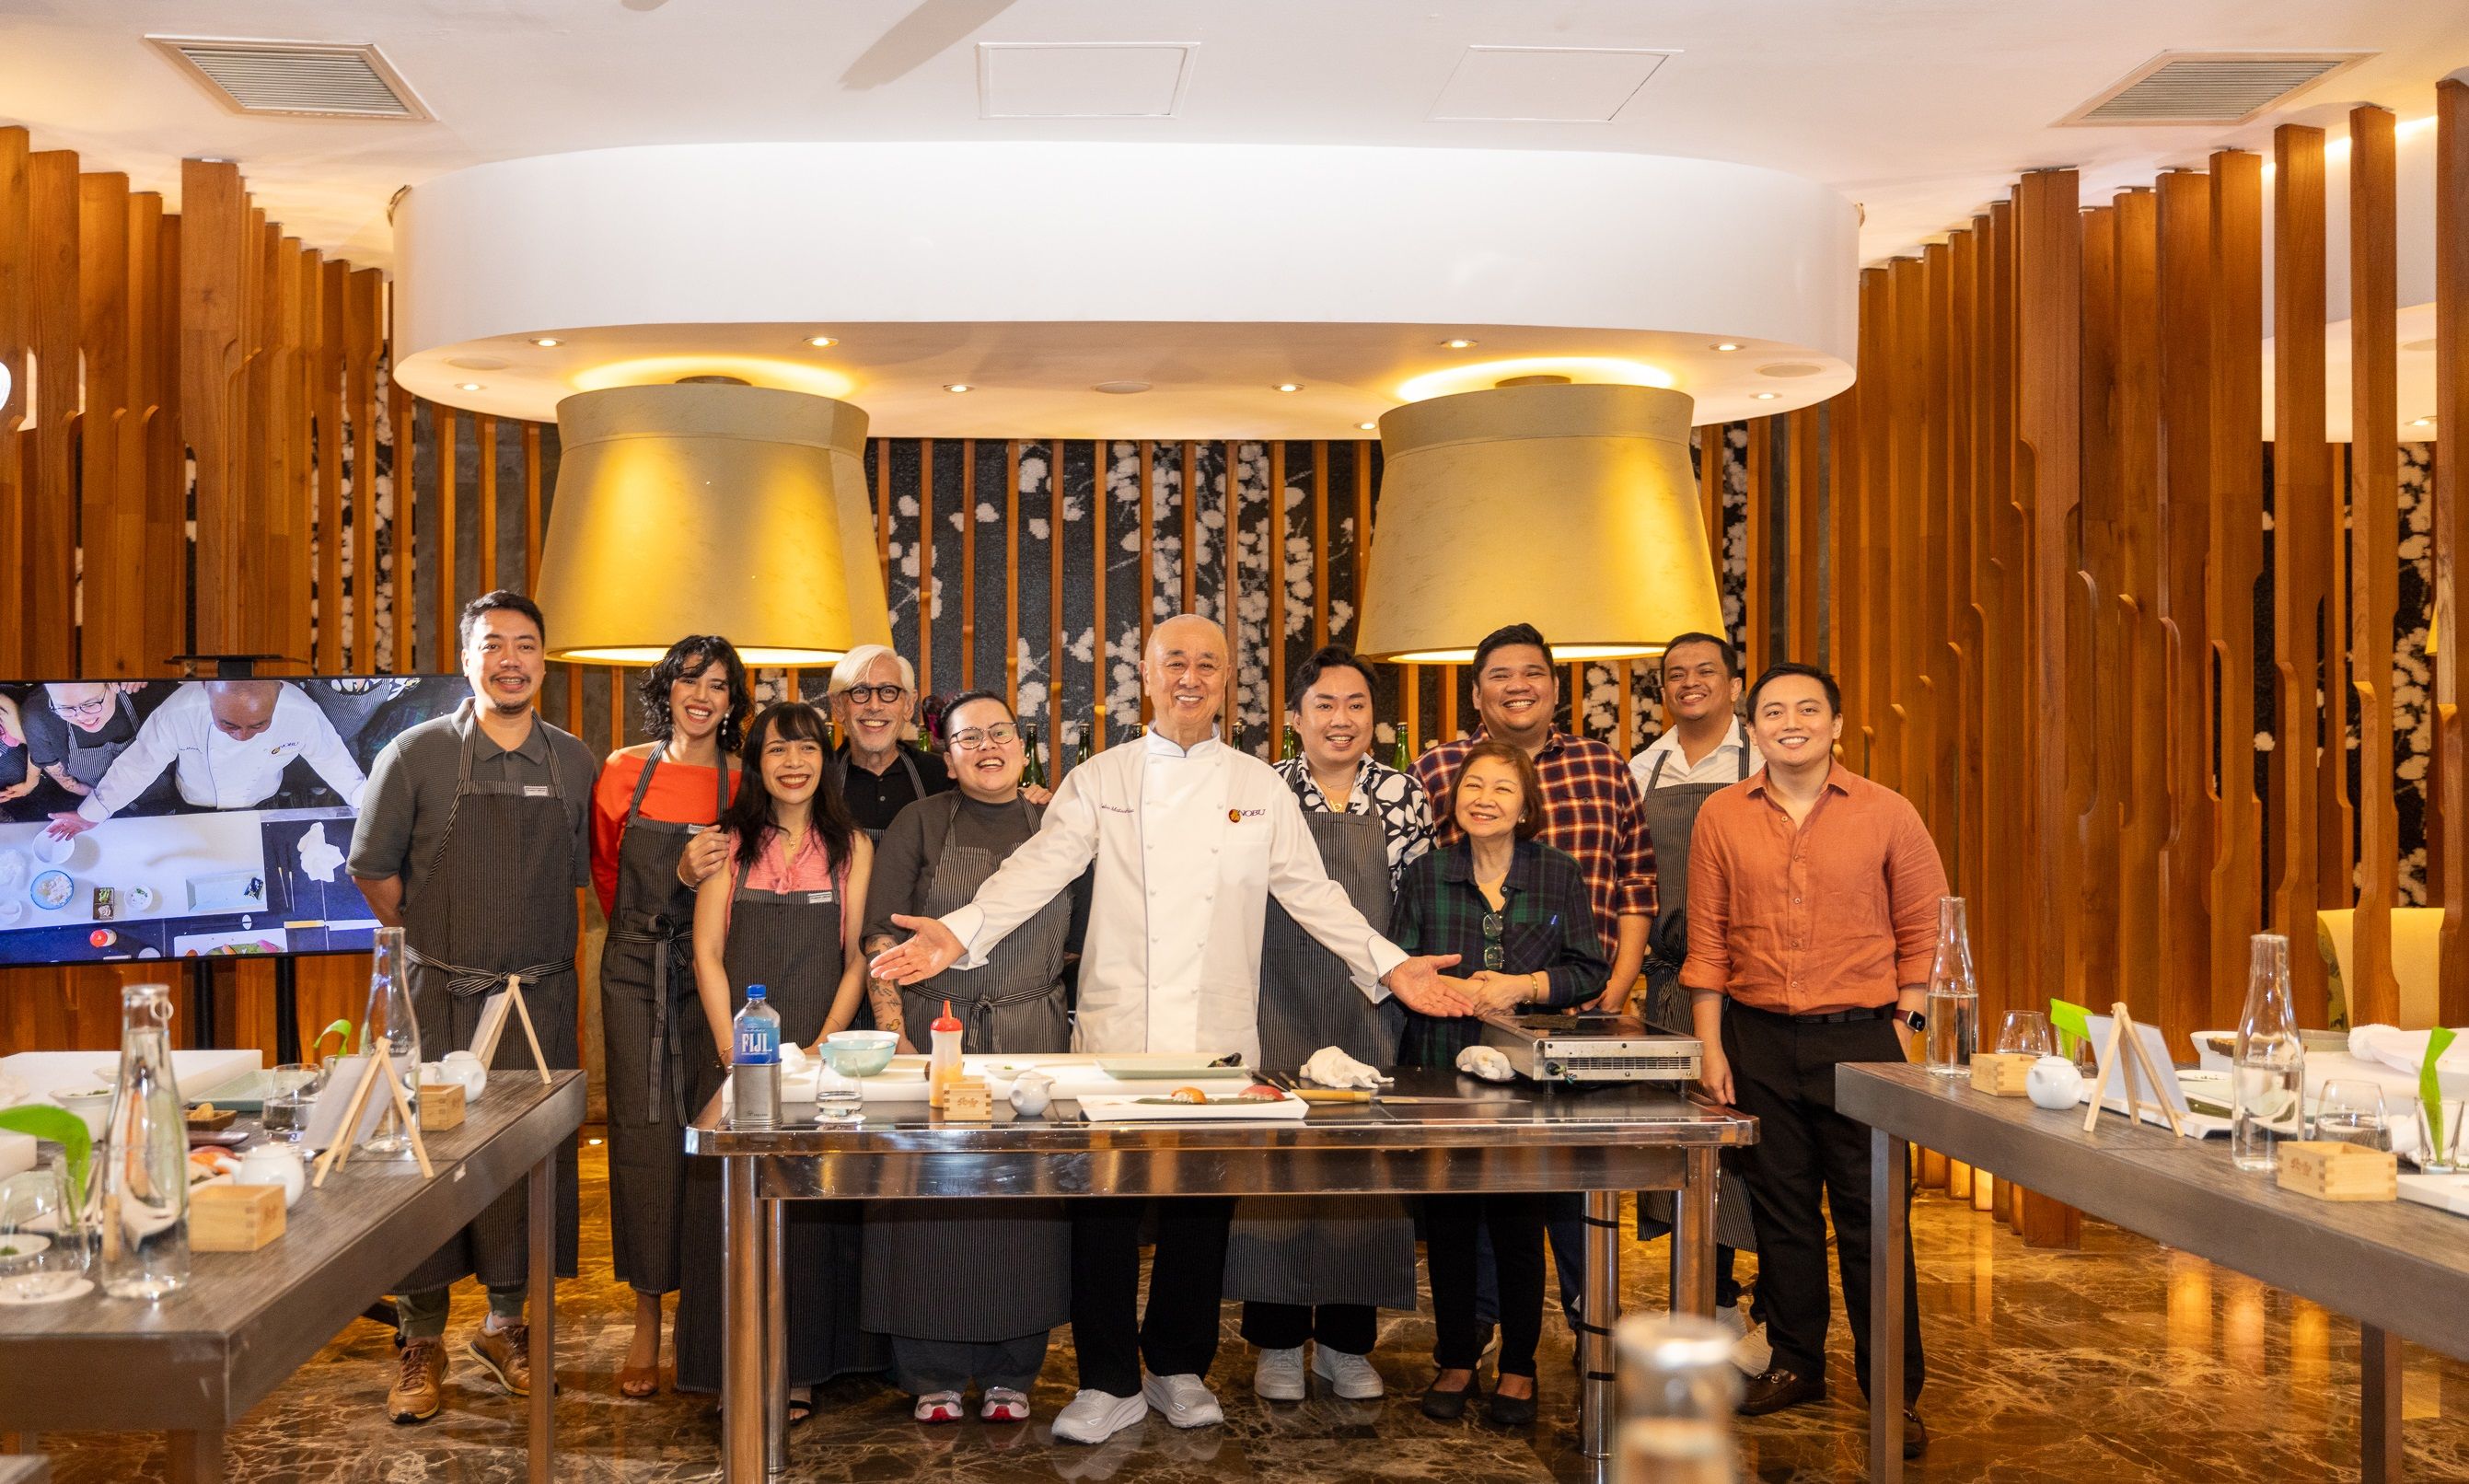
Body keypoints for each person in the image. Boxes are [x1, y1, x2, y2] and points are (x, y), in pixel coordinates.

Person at [868, 613, 1469, 1446]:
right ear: (1144, 676)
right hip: (1116, 1034)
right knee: (1104, 1218)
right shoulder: (1101, 779)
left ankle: (1178, 1367)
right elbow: (1034, 873)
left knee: (1199, 1212)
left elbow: (1314, 893)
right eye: (1174, 661)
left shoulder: (1257, 786)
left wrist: (1390, 964)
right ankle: (1107, 1380)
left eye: (1208, 664)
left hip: (1218, 1039)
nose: (1191, 676)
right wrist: (958, 931)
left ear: (1230, 682)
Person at [346, 591, 599, 1425]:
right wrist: (434, 944)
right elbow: (374, 871)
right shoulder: (415, 754)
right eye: (494, 645)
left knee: (524, 1169)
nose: (512, 660)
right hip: (440, 1000)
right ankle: (419, 1342)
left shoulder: (573, 762)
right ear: (467, 659)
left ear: (544, 660)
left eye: (527, 645)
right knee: (425, 1168)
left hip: (541, 1001)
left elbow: (579, 878)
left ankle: (504, 1326)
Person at [1686, 661, 1940, 1461]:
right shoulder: (1720, 817)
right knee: (1783, 1215)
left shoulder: (1888, 813)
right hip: (1757, 1036)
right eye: (1771, 711)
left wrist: (1907, 1025)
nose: (1789, 721)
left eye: (1807, 709)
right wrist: (1710, 1043)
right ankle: (1798, 1363)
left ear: (1836, 723)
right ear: (1752, 728)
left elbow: (1927, 931)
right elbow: (1707, 942)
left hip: (1862, 1038)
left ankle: (1892, 1390)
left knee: (1874, 1222)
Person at [1410, 622, 1656, 1332]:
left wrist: (1616, 984)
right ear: (1477, 693)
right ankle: (1483, 1333)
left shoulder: (1603, 766)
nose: (1517, 686)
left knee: (1578, 1191)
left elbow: (1637, 880)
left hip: (1579, 1012)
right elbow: (1416, 886)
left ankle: (1592, 1329)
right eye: (1499, 675)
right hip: (1463, 1027)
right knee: (1485, 1190)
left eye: (1532, 673)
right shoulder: (1435, 770)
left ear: (1554, 687)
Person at [858, 690, 1076, 1425]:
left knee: (1024, 1207)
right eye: (966, 738)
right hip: (935, 1037)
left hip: (1031, 1034)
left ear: (1023, 744)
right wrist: (899, 1039)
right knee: (931, 1205)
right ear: (945, 756)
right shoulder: (919, 823)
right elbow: (881, 938)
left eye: (1000, 733)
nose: (987, 746)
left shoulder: (1058, 824)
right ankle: (931, 1375)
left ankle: (1016, 1370)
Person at [1227, 644, 1432, 1404]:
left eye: (1355, 705)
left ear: (1372, 717)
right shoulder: (1263, 789)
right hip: (1275, 999)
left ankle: (1348, 1343)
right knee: (1277, 1173)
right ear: (1294, 717)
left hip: (1368, 1007)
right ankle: (1277, 1342)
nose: (1340, 720)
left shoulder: (1402, 795)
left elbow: (1410, 903)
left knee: (1361, 1175)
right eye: (1324, 705)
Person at [674, 700, 884, 1420]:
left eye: (806, 751)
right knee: (731, 1211)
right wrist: (736, 1051)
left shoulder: (852, 844)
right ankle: (731, 1363)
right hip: (739, 1052)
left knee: (810, 1212)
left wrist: (827, 1039)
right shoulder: (725, 843)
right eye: (776, 751)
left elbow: (858, 954)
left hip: (822, 1054)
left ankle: (801, 1368)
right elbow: (706, 951)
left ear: (825, 760)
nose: (793, 764)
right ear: (755, 764)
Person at [1393, 741, 1608, 1428]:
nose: (1484, 798)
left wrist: (1526, 985)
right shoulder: (1427, 874)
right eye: (1473, 786)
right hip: (1440, 1068)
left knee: (1521, 1224)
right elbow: (1398, 966)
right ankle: (1456, 1356)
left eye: (1502, 789)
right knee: (1451, 1223)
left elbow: (1589, 969)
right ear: (1454, 799)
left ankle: (1519, 1365)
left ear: (1526, 807)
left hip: (1526, 1078)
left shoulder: (1558, 874)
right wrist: (1435, 983)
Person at [590, 636, 749, 1400]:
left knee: (710, 1136)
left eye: (718, 684)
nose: (702, 694)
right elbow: (608, 880)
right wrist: (673, 885)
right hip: (634, 973)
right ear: (668, 688)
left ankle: (705, 1314)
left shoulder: (745, 781)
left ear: (731, 702)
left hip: (715, 979)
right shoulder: (624, 771)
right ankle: (646, 1317)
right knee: (642, 1137)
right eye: (690, 678)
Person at [1628, 632, 1767, 1373]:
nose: (1689, 684)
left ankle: (1774, 1309)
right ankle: (1709, 1303)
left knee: (1764, 1151)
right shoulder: (1639, 770)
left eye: (1704, 671)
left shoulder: (1767, 758)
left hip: (1761, 985)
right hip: (1675, 986)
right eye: (1674, 675)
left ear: (1734, 685)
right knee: (1690, 1152)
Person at [46, 679, 365, 838]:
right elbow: (139, 764)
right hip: (194, 801)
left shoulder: (302, 713)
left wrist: (368, 803)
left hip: (262, 801)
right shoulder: (179, 711)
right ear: (207, 697)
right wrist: (91, 813)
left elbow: (332, 759)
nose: (242, 735)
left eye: (258, 725)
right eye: (228, 724)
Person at [827, 644, 953, 840]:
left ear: (909, 705)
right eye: (860, 691)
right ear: (838, 707)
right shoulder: (818, 779)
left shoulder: (943, 776)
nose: (874, 706)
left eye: (888, 691)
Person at [24, 681, 157, 807]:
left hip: (162, 796)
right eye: (65, 708)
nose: (82, 717)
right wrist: (101, 801)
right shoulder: (38, 716)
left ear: (112, 685)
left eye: (90, 704)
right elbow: (64, 778)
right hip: (101, 803)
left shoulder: (145, 691)